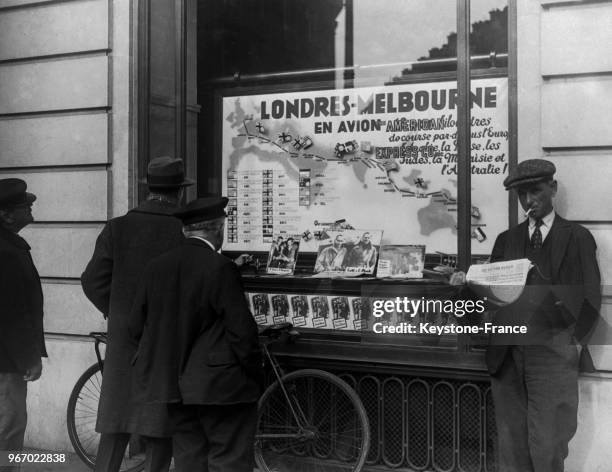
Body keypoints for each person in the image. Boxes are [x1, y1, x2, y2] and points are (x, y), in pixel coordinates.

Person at [452, 159, 601, 472]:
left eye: (536, 191)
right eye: (522, 195)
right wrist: (464, 288)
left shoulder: (577, 237)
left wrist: (573, 345)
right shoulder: (506, 241)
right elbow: (485, 301)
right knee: (512, 450)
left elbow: (591, 297)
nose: (529, 201)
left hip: (553, 355)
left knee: (549, 448)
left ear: (553, 189)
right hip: (507, 355)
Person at [128, 197, 262, 472]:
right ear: (218, 229)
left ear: (184, 230)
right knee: (228, 460)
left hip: (172, 386)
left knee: (189, 460)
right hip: (221, 388)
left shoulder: (156, 267)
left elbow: (135, 327)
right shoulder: (220, 267)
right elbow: (241, 332)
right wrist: (255, 373)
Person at [81, 156, 194, 472]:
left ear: (149, 188)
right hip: (167, 343)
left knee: (116, 425)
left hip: (125, 342)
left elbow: (92, 280)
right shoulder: (182, 230)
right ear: (179, 192)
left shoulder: (118, 227)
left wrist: (116, 311)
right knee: (160, 431)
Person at [0, 179, 46, 467]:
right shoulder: (6, 252)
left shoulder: (9, 247)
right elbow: (12, 313)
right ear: (5, 214)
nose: (30, 207)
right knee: (9, 427)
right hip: (6, 361)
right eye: (23, 205)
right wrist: (30, 358)